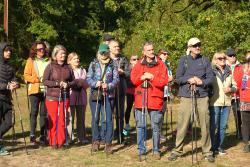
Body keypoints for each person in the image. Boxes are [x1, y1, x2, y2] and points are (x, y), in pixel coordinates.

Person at [168, 37, 215, 162]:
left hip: (202, 95)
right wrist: (189, 79)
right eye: (195, 45)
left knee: (205, 123)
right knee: (183, 124)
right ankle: (177, 151)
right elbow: (178, 78)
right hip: (186, 95)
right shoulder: (184, 60)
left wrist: (201, 81)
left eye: (199, 45)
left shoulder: (205, 60)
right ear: (189, 47)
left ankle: (207, 151)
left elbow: (211, 78)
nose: (198, 47)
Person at [131, 42, 168, 160]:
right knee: (140, 126)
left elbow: (164, 81)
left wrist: (152, 77)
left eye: (152, 50)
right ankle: (141, 150)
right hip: (140, 98)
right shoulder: (138, 64)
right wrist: (141, 78)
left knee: (156, 126)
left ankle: (156, 150)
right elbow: (133, 80)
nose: (151, 52)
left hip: (155, 99)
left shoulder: (161, 64)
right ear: (144, 52)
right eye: (148, 50)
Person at [86, 43, 119, 154]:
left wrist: (108, 85)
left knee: (108, 119)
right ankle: (96, 141)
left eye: (105, 52)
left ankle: (108, 142)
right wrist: (96, 83)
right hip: (95, 94)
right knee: (95, 119)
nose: (104, 54)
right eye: (102, 52)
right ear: (98, 52)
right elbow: (88, 78)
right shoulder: (93, 64)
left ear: (108, 52)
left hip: (108, 95)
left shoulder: (113, 64)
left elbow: (116, 79)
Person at [43, 45, 76, 148]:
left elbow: (73, 81)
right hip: (52, 97)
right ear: (55, 55)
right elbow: (45, 81)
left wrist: (68, 84)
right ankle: (53, 141)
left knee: (62, 120)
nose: (63, 55)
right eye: (61, 53)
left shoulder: (68, 67)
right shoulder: (50, 66)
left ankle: (60, 142)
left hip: (64, 97)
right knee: (53, 119)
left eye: (64, 53)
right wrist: (57, 83)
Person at [209, 52, 237, 155]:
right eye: (219, 58)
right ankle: (211, 148)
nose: (222, 60)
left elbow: (235, 85)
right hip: (215, 102)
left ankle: (218, 146)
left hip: (227, 102)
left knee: (223, 126)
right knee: (214, 126)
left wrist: (231, 89)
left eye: (224, 58)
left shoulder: (228, 71)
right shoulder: (211, 71)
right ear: (215, 60)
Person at [24, 41, 50, 145]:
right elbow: (26, 75)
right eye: (39, 49)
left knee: (44, 114)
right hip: (34, 90)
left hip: (46, 90)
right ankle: (32, 135)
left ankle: (43, 136)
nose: (41, 51)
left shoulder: (49, 61)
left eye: (43, 49)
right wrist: (37, 80)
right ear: (35, 51)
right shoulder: (30, 60)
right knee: (34, 112)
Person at [109, 40, 129, 144]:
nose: (117, 48)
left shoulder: (123, 59)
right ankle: (109, 136)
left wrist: (123, 72)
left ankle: (121, 136)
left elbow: (129, 73)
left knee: (120, 114)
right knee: (109, 114)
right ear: (110, 48)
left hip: (121, 88)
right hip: (110, 90)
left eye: (118, 46)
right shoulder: (106, 59)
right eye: (115, 46)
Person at [0, 43, 19, 155]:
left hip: (7, 99)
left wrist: (16, 83)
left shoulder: (10, 66)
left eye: (10, 50)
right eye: (6, 50)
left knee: (9, 122)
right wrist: (6, 86)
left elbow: (14, 78)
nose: (9, 52)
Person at [67, 52, 89, 144]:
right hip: (71, 96)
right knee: (70, 117)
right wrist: (77, 82)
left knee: (81, 118)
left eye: (78, 58)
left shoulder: (83, 70)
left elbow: (87, 83)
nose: (77, 60)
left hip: (82, 96)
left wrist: (80, 82)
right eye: (74, 59)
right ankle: (69, 137)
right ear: (69, 61)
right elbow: (68, 83)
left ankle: (81, 137)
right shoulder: (67, 70)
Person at [234, 50, 250, 153]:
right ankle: (246, 143)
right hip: (245, 99)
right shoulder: (242, 69)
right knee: (246, 122)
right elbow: (238, 83)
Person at [157, 49, 173, 141]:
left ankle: (160, 131)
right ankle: (158, 132)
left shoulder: (167, 63)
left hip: (166, 92)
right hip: (160, 91)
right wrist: (168, 79)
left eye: (167, 54)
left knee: (163, 112)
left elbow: (169, 75)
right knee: (159, 113)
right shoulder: (158, 63)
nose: (166, 55)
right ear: (160, 54)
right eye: (164, 54)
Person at [226, 48, 242, 139]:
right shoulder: (224, 66)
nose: (233, 57)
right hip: (227, 95)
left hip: (238, 95)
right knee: (225, 116)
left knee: (238, 114)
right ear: (227, 57)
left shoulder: (240, 66)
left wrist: (241, 89)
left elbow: (244, 79)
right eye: (230, 55)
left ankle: (239, 131)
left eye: (234, 55)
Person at [124, 55, 139, 131]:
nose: (136, 60)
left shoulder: (139, 68)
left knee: (137, 108)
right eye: (134, 59)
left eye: (137, 59)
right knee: (129, 107)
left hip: (138, 91)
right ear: (130, 61)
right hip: (130, 91)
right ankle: (126, 124)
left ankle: (138, 124)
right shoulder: (128, 69)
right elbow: (129, 80)